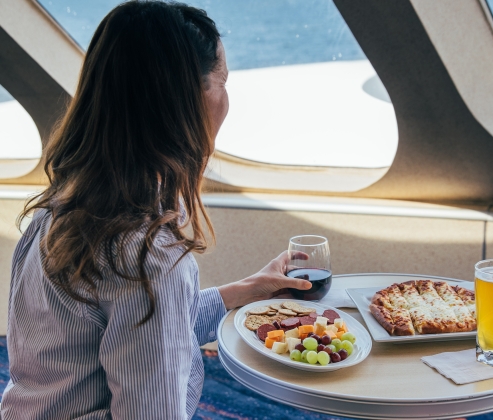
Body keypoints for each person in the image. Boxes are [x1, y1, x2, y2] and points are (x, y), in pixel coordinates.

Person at [0, 1, 311, 419]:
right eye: (222, 80)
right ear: (189, 99)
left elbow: (145, 326)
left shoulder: (58, 209)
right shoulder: (149, 256)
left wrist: (251, 289)